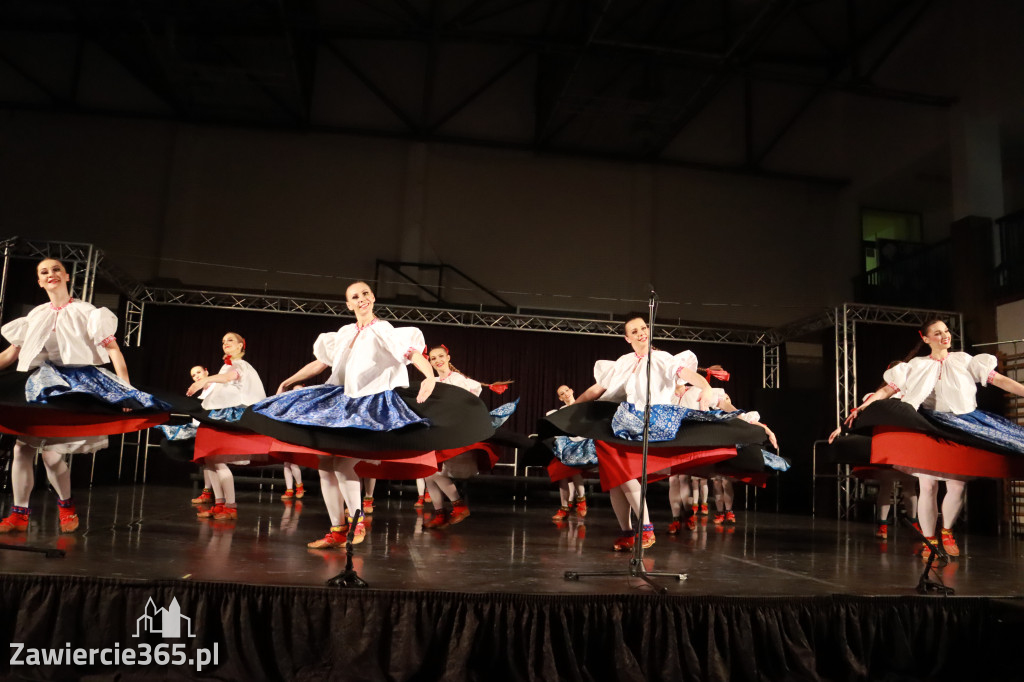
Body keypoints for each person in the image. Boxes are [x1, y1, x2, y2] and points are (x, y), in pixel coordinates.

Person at [242, 281, 492, 549]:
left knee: (342, 464)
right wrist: (290, 380)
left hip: (370, 403)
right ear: (348, 304)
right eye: (354, 296)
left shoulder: (382, 329)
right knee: (326, 467)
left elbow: (411, 353)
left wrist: (429, 376)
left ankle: (356, 523)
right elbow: (322, 363)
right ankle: (338, 529)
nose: (361, 299)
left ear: (372, 298)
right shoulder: (344, 332)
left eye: (365, 294)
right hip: (339, 399)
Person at [562, 315, 763, 552]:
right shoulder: (623, 362)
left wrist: (706, 387)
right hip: (628, 422)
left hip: (652, 421)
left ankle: (645, 528)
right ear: (627, 338)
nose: (641, 333)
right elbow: (596, 389)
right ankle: (628, 532)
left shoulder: (662, 358)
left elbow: (688, 375)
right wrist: (571, 408)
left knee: (622, 471)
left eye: (644, 328)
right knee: (615, 479)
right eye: (635, 331)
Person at [0, 258, 169, 534]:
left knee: (51, 456)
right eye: (44, 272)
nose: (51, 274)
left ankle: (66, 506)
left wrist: (125, 391)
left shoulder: (86, 311)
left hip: (75, 384)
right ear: (39, 282)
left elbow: (113, 351)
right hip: (41, 384)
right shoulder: (36, 315)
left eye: (56, 269)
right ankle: (19, 514)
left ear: (66, 276)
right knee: (22, 447)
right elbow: (10, 355)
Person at [843, 318, 1024, 559]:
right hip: (928, 425)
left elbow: (999, 380)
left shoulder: (964, 360)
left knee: (957, 485)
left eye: (946, 331)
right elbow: (887, 390)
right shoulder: (914, 365)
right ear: (926, 338)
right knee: (928, 485)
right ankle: (930, 539)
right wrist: (863, 407)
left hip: (961, 424)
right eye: (938, 333)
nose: (945, 336)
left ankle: (947, 530)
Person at [420, 344, 514, 529]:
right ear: (429, 363)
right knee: (427, 474)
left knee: (435, 472)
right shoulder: (434, 382)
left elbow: (466, 404)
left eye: (440, 356)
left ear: (448, 357)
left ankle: (458, 505)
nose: (438, 360)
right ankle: (440, 513)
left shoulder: (458, 380)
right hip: (440, 432)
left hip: (456, 433)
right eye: (433, 358)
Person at [186, 332, 267, 521]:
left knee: (218, 461)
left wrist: (206, 380)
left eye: (230, 340)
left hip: (231, 417)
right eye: (223, 341)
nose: (225, 343)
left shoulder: (240, 365)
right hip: (219, 415)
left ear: (241, 346)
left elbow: (232, 376)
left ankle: (230, 507)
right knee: (211, 460)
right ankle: (219, 504)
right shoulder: (225, 366)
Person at [546, 385, 592, 521]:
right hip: (567, 447)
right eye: (562, 393)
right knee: (563, 473)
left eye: (566, 391)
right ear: (560, 398)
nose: (565, 394)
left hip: (582, 445)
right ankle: (565, 506)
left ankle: (580, 500)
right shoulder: (562, 411)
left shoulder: (582, 407)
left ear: (572, 391)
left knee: (572, 469)